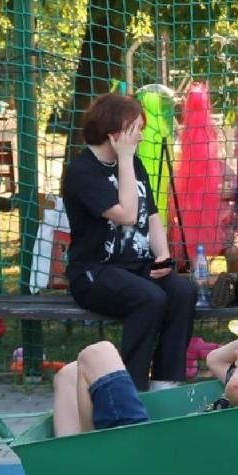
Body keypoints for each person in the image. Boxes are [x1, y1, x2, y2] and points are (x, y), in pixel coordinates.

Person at [61, 91, 198, 391]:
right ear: (114, 132)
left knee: (183, 291)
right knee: (150, 298)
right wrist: (123, 157)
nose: (140, 136)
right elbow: (126, 214)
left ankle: (166, 383)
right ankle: (131, 389)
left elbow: (150, 216)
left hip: (135, 267)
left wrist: (162, 257)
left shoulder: (133, 165)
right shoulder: (82, 172)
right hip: (94, 272)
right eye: (135, 128)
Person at [50, 298, 238, 435]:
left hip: (145, 455)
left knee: (98, 354)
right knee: (69, 374)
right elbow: (214, 360)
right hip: (149, 449)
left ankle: (91, 455)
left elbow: (237, 386)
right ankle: (72, 470)